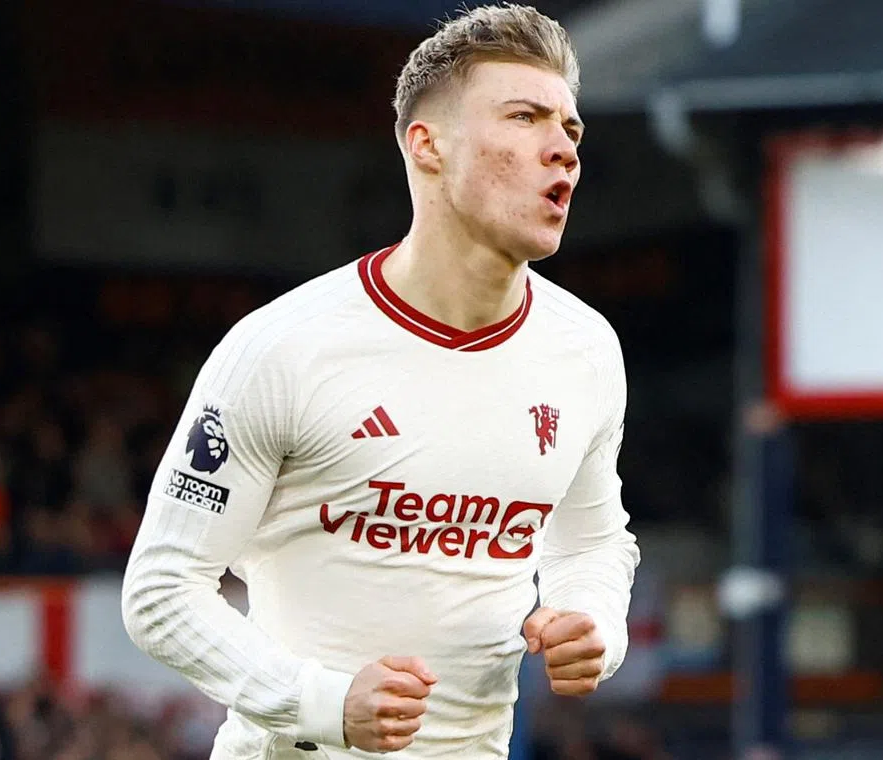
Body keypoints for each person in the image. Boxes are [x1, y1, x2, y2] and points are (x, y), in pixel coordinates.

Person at [121, 4, 640, 758]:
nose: (562, 149)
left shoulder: (585, 349)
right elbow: (161, 592)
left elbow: (592, 542)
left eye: (570, 129)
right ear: (426, 146)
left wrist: (592, 618)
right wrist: (317, 703)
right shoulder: (283, 348)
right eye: (526, 118)